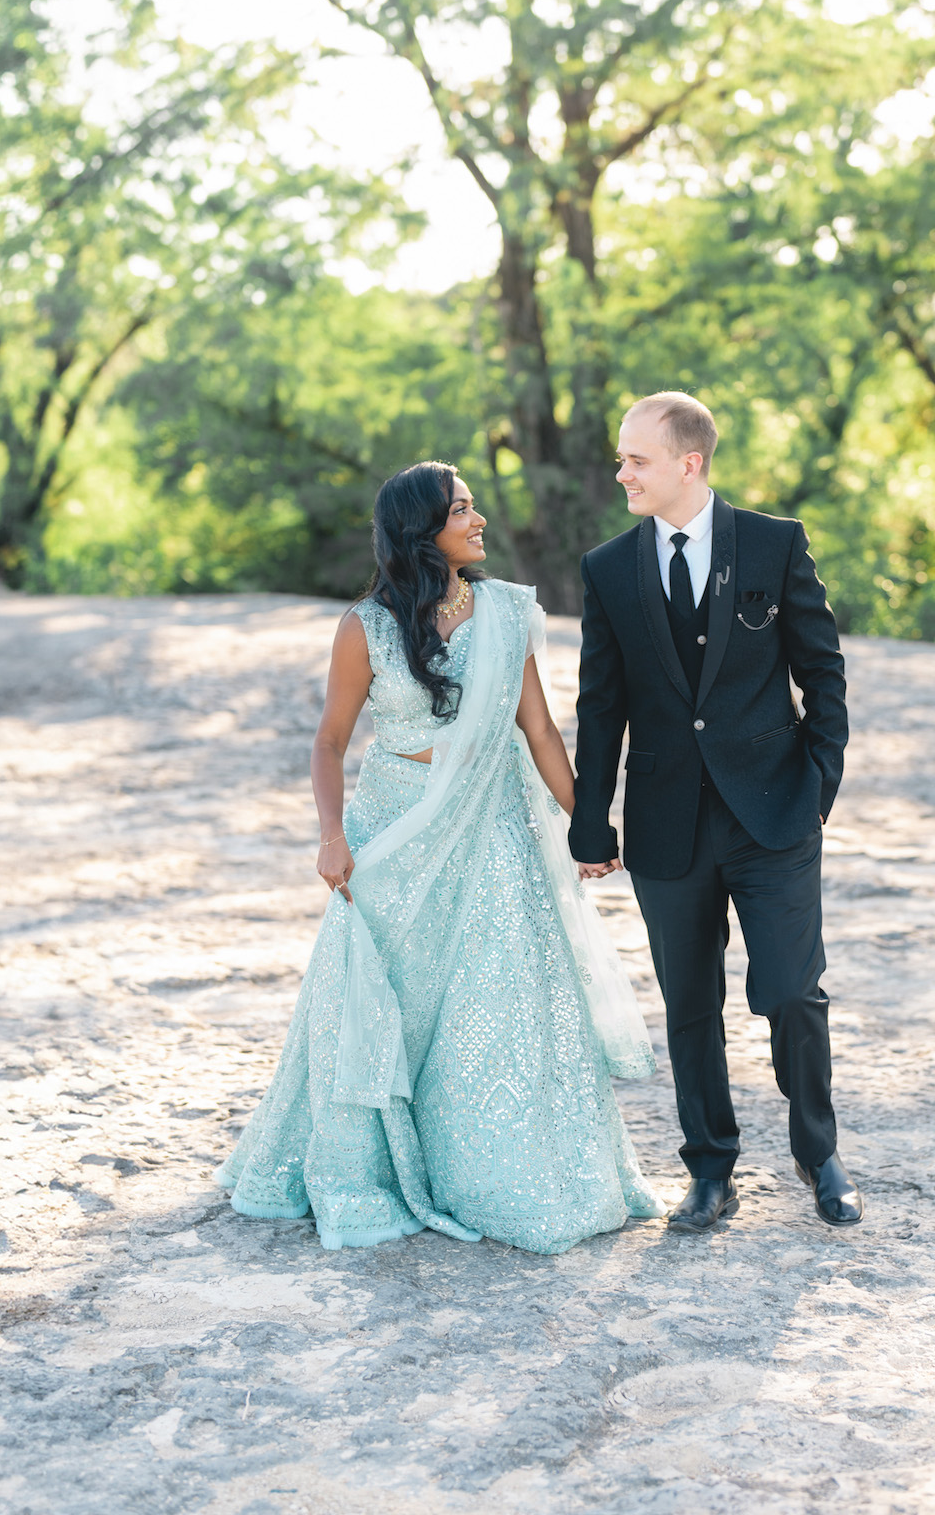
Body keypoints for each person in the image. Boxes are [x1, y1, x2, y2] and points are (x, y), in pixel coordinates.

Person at [218, 461, 663, 1254]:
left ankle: (490, 1173)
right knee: (393, 1000)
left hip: (492, 830)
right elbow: (328, 741)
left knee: (495, 1000)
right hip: (393, 833)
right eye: (462, 509)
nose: (480, 519)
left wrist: (586, 823)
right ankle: (375, 1168)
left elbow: (540, 731)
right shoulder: (367, 626)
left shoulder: (504, 613)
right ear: (423, 529)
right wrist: (330, 836)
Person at [569, 392, 863, 1231]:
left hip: (774, 816)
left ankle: (818, 1152)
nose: (621, 472)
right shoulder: (607, 569)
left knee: (791, 992)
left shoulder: (774, 544)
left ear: (687, 464)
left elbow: (823, 671)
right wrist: (593, 818)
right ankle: (710, 1169)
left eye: (636, 459)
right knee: (689, 1004)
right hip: (667, 824)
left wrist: (818, 788)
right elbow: (601, 706)